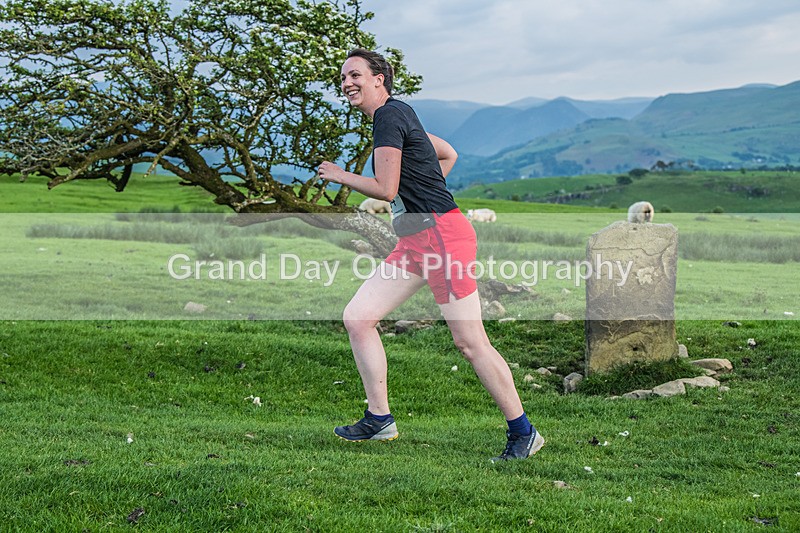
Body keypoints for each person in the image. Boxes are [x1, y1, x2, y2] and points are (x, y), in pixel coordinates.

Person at [317, 49, 544, 461]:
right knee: (359, 317)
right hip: (416, 242)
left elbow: (385, 190)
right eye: (344, 77)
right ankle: (379, 419)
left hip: (442, 238)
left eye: (355, 75)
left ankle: (523, 432)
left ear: (379, 79)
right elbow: (447, 153)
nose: (347, 83)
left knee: (470, 341)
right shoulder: (400, 114)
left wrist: (339, 175)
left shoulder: (388, 116)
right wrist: (423, 192)